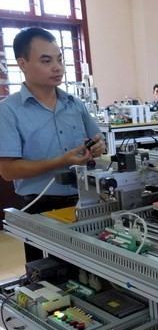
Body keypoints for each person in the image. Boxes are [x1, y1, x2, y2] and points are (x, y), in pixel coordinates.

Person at [0, 27, 105, 261]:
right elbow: (8, 170)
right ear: (22, 63)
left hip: (85, 202)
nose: (57, 67)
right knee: (49, 277)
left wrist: (98, 147)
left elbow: (100, 143)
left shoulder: (75, 104)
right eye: (46, 61)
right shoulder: (8, 110)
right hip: (40, 207)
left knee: (90, 271)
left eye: (60, 59)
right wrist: (61, 161)